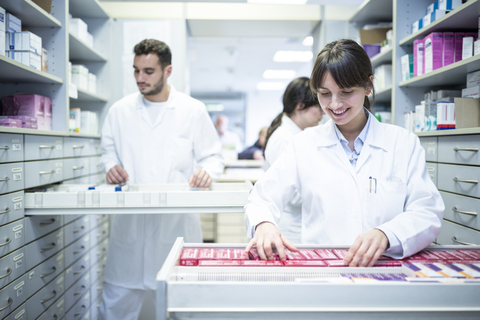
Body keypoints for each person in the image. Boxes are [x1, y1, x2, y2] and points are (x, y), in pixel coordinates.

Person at [244, 39, 444, 267]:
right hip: (322, 270)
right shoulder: (303, 145)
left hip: (386, 270)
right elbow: (261, 198)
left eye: (346, 92)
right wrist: (264, 225)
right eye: (325, 93)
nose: (335, 104)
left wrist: (386, 234)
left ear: (368, 86)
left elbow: (427, 211)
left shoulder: (402, 143)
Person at [99, 39, 223, 319]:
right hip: (129, 233)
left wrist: (207, 172)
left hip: (175, 229)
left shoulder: (192, 110)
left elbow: (213, 158)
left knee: (184, 308)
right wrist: (110, 166)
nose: (140, 78)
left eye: (148, 71)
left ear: (167, 71)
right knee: (114, 309)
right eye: (136, 71)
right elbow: (107, 152)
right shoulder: (120, 111)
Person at [261, 77, 323, 244]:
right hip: (290, 228)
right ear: (300, 106)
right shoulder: (284, 138)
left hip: (297, 224)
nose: (323, 112)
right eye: (318, 107)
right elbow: (293, 195)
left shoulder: (295, 135)